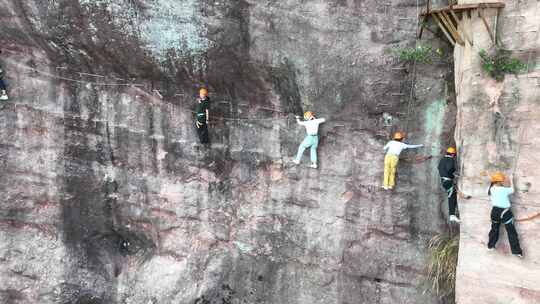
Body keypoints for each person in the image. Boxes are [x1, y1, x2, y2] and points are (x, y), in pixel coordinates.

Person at [487, 172, 523, 258]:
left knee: (494, 230)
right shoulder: (503, 190)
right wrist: (511, 179)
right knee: (511, 232)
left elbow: (493, 184)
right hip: (505, 213)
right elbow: (512, 190)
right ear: (498, 182)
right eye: (501, 181)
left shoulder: (491, 189)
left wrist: (490, 176)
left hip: (494, 212)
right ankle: (516, 251)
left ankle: (490, 246)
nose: (502, 182)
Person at [438, 147, 460, 223]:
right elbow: (450, 169)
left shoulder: (442, 159)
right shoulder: (450, 159)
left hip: (443, 180)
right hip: (447, 180)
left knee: (452, 195)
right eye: (454, 155)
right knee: (451, 196)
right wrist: (453, 175)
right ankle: (452, 215)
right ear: (453, 154)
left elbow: (439, 168)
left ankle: (452, 214)